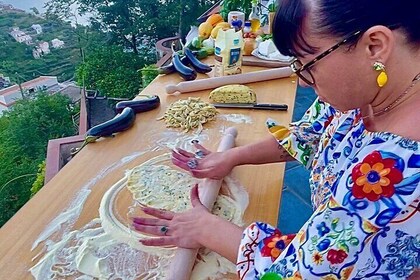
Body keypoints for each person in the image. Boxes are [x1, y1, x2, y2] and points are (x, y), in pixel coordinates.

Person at [132, 0, 420, 278]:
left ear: (375, 45)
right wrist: (231, 156)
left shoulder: (397, 167)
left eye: (308, 64)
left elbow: (303, 271)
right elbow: (309, 135)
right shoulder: (369, 87)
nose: (304, 81)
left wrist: (205, 229)